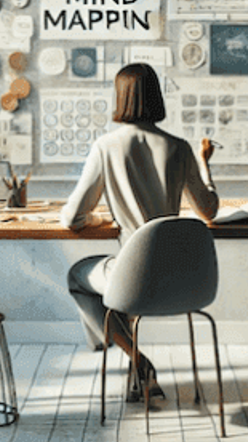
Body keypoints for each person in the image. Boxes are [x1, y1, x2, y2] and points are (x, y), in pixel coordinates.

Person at [61, 62, 219, 402]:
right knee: (118, 288)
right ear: (157, 97)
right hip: (180, 281)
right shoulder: (179, 147)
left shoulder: (106, 146)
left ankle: (137, 360)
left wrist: (99, 220)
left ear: (120, 97)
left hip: (131, 280)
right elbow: (208, 211)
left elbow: (72, 218)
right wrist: (205, 164)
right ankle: (138, 375)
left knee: (78, 276)